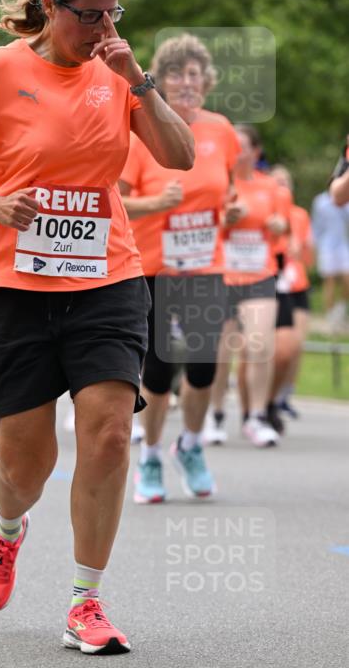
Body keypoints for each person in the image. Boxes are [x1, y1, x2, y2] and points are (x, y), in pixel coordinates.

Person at [0, 0, 193, 654]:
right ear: (50, 7)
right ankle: (7, 529)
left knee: (108, 433)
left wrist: (137, 80)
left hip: (105, 277)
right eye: (89, 15)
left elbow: (180, 156)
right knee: (26, 465)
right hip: (9, 285)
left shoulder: (117, 73)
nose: (103, 29)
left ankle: (85, 601)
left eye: (113, 14)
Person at [119, 33, 240, 502]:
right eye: (175, 73)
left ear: (206, 81)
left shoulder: (222, 131)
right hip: (154, 264)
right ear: (160, 81)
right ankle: (149, 455)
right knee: (159, 369)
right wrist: (155, 204)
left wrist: (230, 211)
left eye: (194, 74)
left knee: (205, 364)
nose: (186, 82)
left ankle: (189, 445)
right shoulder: (142, 129)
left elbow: (225, 191)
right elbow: (114, 201)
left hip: (206, 264)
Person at [207, 125, 289, 447]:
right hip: (222, 274)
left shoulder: (272, 188)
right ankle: (214, 415)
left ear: (256, 152)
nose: (237, 152)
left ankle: (256, 416)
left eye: (242, 146)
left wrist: (279, 225)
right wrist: (225, 220)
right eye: (232, 146)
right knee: (220, 351)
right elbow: (202, 224)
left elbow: (283, 227)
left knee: (260, 344)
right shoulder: (218, 184)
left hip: (259, 274)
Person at [270, 164, 313, 419]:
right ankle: (267, 396)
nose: (282, 187)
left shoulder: (299, 215)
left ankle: (284, 395)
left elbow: (306, 249)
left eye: (285, 182)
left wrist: (300, 251)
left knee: (296, 344)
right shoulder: (266, 211)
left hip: (297, 283)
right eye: (277, 182)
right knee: (272, 347)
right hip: (273, 282)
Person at [311, 189, 349, 333]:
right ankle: (330, 316)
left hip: (342, 245)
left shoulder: (346, 201)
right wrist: (314, 246)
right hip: (326, 245)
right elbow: (316, 225)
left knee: (347, 279)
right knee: (329, 281)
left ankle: (340, 309)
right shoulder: (320, 201)